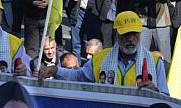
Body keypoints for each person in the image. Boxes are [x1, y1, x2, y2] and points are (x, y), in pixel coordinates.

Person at [39, 11, 169, 94]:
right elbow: (79, 77)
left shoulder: (155, 62)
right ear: (116, 34)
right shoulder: (99, 59)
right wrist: (55, 70)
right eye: (126, 34)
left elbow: (164, 97)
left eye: (134, 34)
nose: (131, 39)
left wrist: (155, 92)